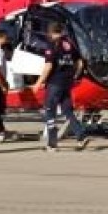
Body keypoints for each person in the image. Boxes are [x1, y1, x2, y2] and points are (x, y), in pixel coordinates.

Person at [33, 21, 90, 152]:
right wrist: (75, 76)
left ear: (51, 32)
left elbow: (48, 67)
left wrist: (38, 82)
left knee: (49, 111)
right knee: (68, 111)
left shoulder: (52, 45)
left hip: (54, 83)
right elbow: (80, 62)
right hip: (67, 83)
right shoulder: (70, 44)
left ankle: (52, 144)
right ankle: (81, 135)